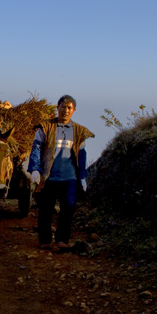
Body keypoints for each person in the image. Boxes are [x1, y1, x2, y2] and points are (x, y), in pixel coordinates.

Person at [28, 95, 94, 250]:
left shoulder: (79, 131)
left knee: (68, 210)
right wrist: (35, 169)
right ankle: (45, 240)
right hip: (49, 177)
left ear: (74, 110)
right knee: (46, 210)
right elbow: (36, 149)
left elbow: (82, 156)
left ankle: (62, 240)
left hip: (70, 178)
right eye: (63, 107)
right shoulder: (45, 127)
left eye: (69, 108)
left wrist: (83, 177)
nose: (66, 110)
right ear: (57, 108)